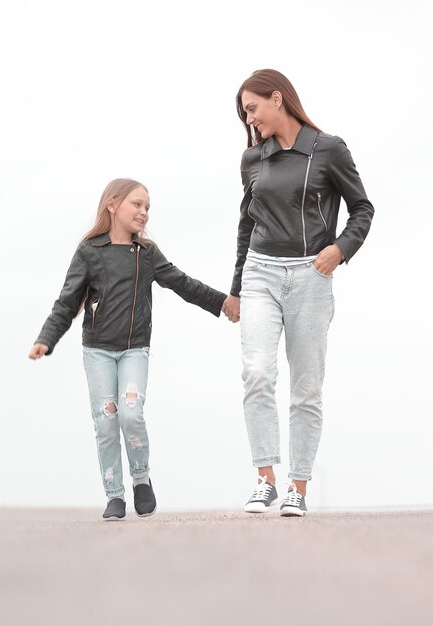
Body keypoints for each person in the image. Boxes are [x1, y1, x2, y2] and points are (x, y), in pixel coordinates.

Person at [221, 69, 374, 516]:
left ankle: (298, 487)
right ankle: (265, 477)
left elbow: (362, 208)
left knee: (306, 388)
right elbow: (246, 224)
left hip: (311, 276)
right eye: (245, 114)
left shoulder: (328, 149)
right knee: (257, 373)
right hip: (260, 272)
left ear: (277, 98)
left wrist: (340, 251)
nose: (250, 120)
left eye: (252, 109)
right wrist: (235, 290)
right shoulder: (253, 159)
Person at [29, 179, 227, 520]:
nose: (144, 212)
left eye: (147, 207)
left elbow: (182, 283)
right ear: (112, 205)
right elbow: (67, 301)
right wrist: (46, 338)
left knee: (131, 414)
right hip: (98, 353)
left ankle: (141, 479)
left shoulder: (147, 254)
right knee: (106, 422)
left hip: (135, 349)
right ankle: (114, 495)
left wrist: (223, 302)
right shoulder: (89, 251)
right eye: (136, 204)